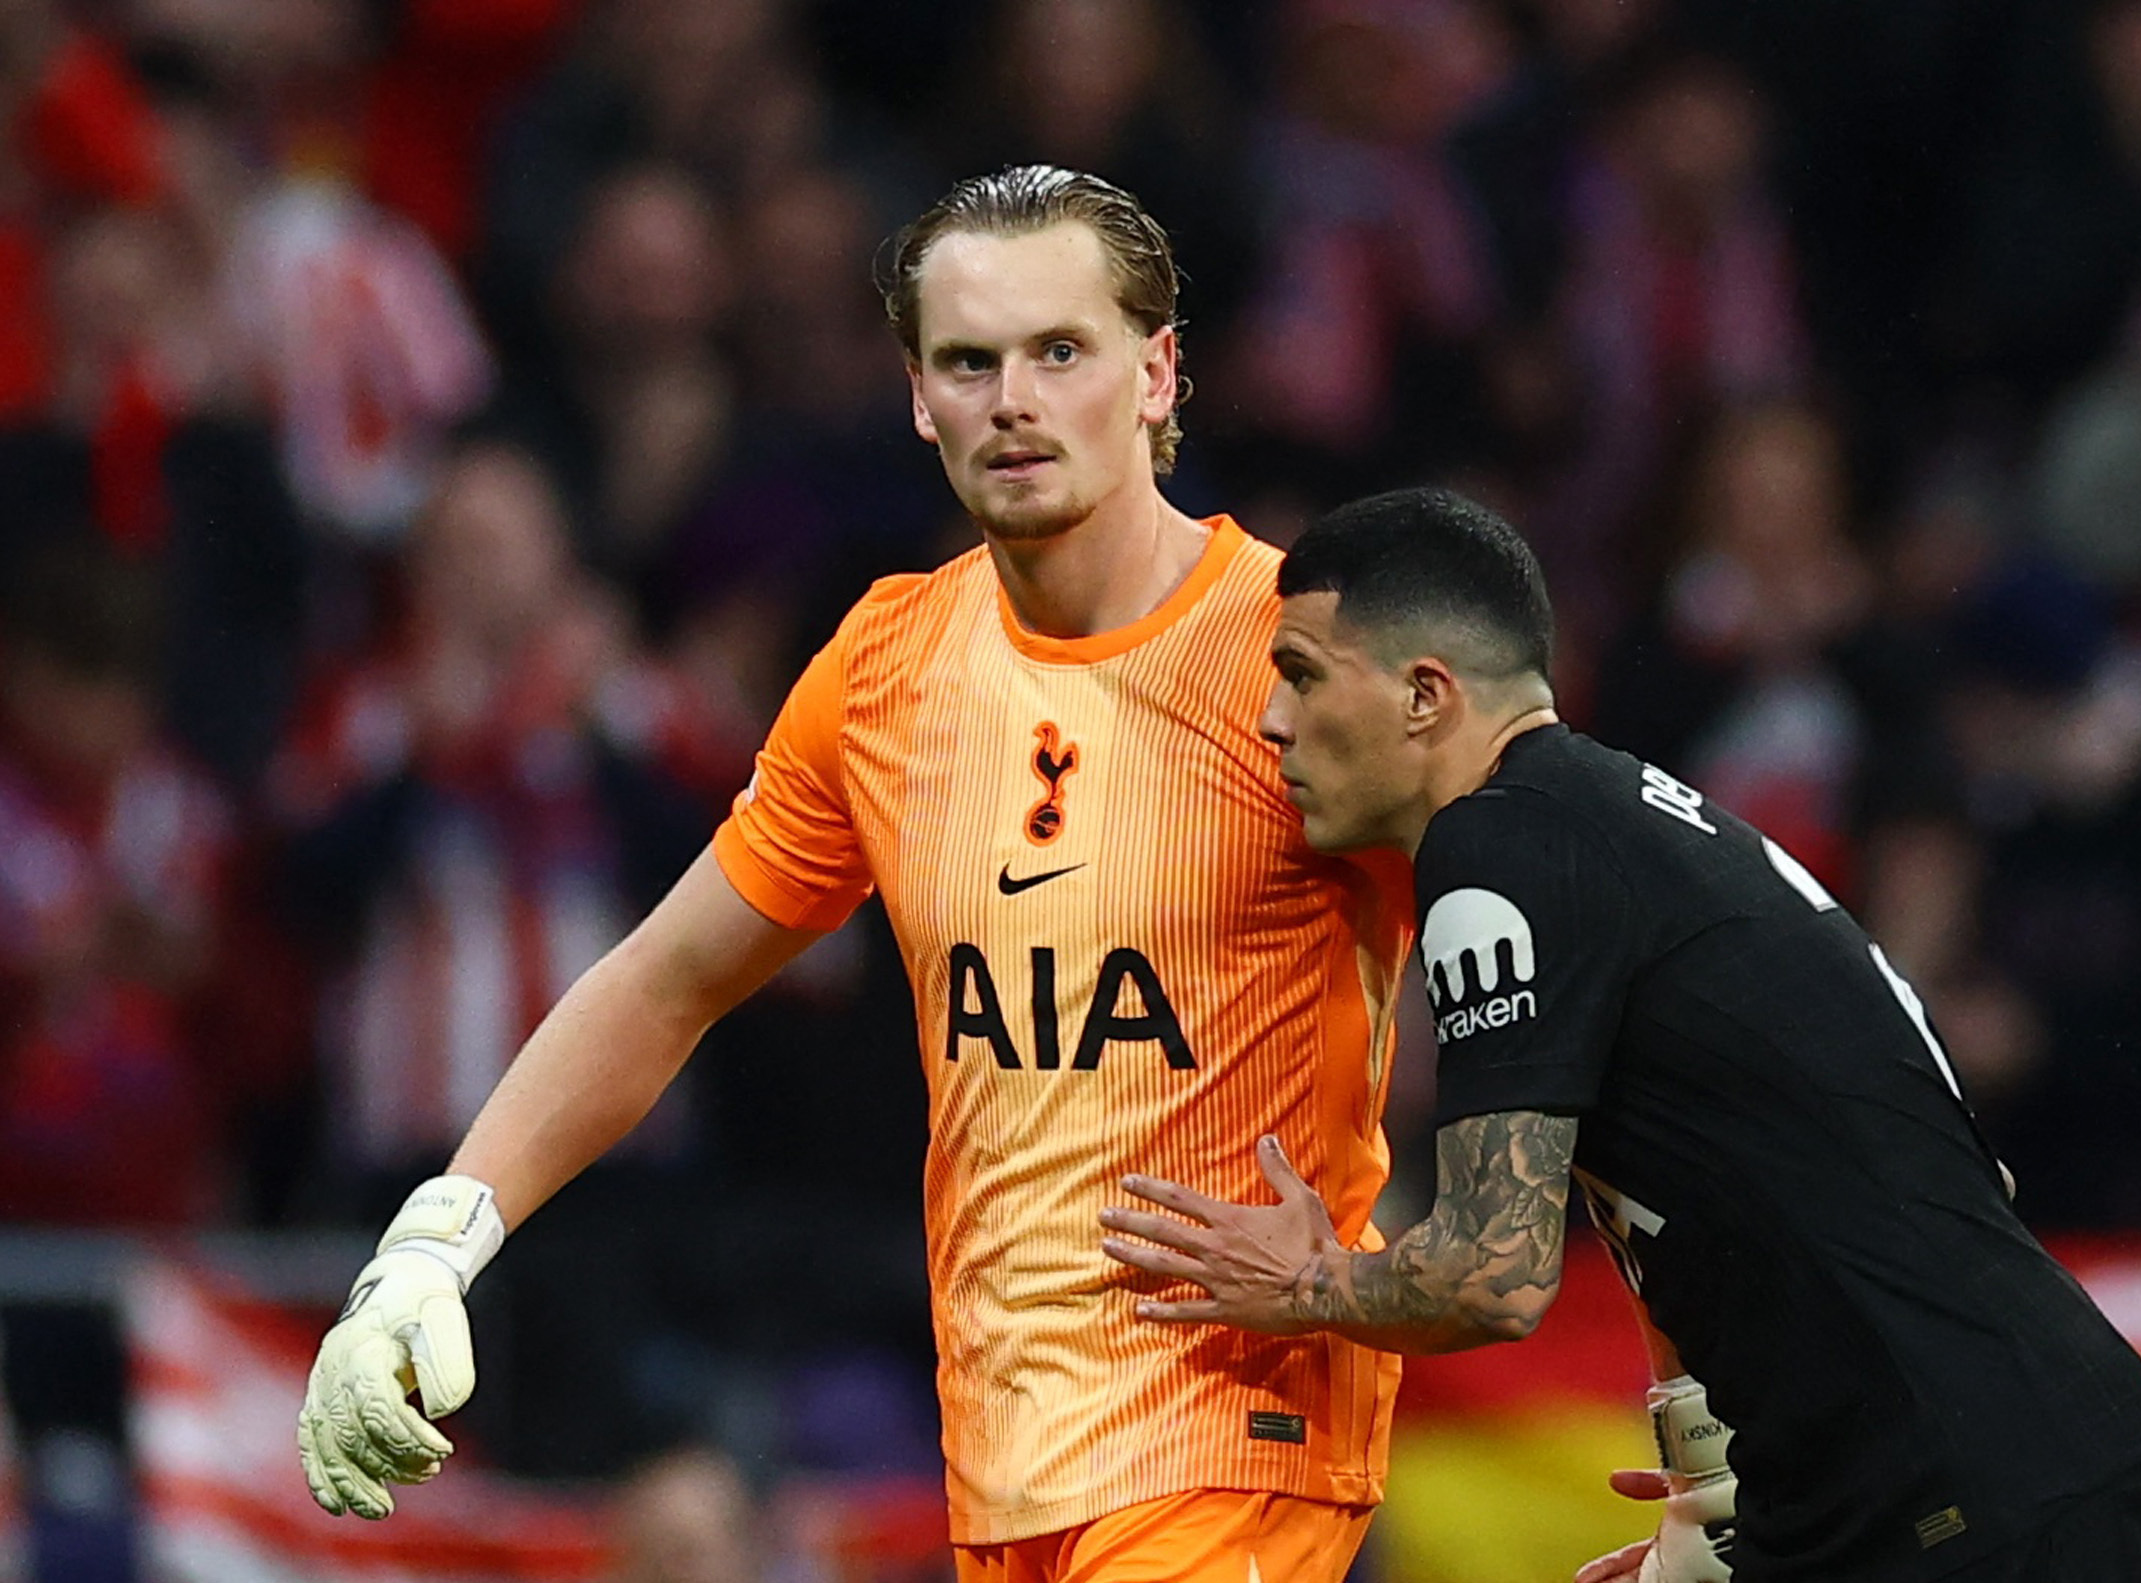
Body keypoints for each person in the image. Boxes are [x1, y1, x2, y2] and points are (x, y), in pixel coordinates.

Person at [296, 165, 1418, 1582]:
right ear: (919, 398)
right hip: (1007, 1462)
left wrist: (1683, 1403)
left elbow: (1585, 947)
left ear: (1158, 373)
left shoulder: (1307, 655)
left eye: (1060, 351)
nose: (1012, 397)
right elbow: (665, 978)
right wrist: (434, 1246)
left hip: (1236, 1445)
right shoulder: (890, 669)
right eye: (969, 360)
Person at [1098, 487, 2141, 1581]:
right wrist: (1712, 1497)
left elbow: (1490, 1275)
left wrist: (1306, 1280)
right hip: (1999, 1474)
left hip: (1971, 1507)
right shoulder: (1624, 820)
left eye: (1298, 674)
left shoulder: (1497, 849)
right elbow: (1899, 1178)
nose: (1271, 720)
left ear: (1424, 695)